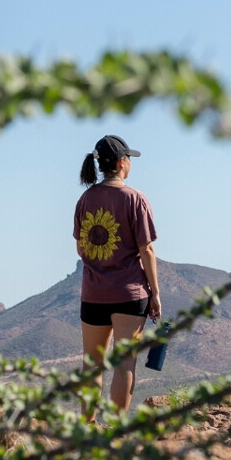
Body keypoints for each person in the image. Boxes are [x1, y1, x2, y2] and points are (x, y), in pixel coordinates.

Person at [74, 134, 160, 411]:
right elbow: (146, 250)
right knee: (124, 364)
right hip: (129, 293)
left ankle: (86, 431)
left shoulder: (85, 200)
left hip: (94, 293)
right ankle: (116, 433)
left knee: (92, 365)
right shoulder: (136, 199)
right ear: (122, 163)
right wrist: (155, 293)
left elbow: (80, 248)